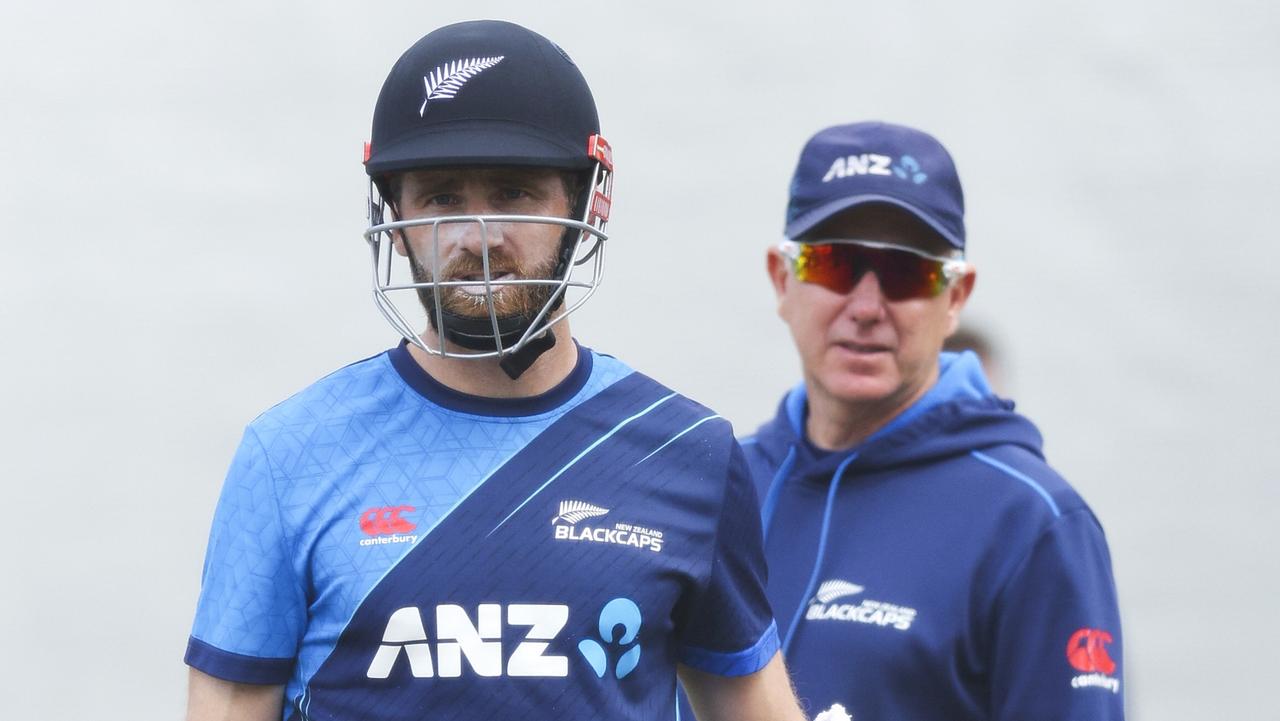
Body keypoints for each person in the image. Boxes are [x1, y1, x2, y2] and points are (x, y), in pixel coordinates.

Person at [183, 20, 805, 721]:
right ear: (396, 214)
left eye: (514, 192)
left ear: (583, 199)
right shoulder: (290, 453)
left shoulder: (686, 453)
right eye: (442, 197)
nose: (479, 237)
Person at [750, 122, 1125, 720]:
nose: (867, 309)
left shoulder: (1034, 524)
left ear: (955, 298)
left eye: (905, 273)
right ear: (782, 279)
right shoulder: (722, 489)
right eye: (835, 265)